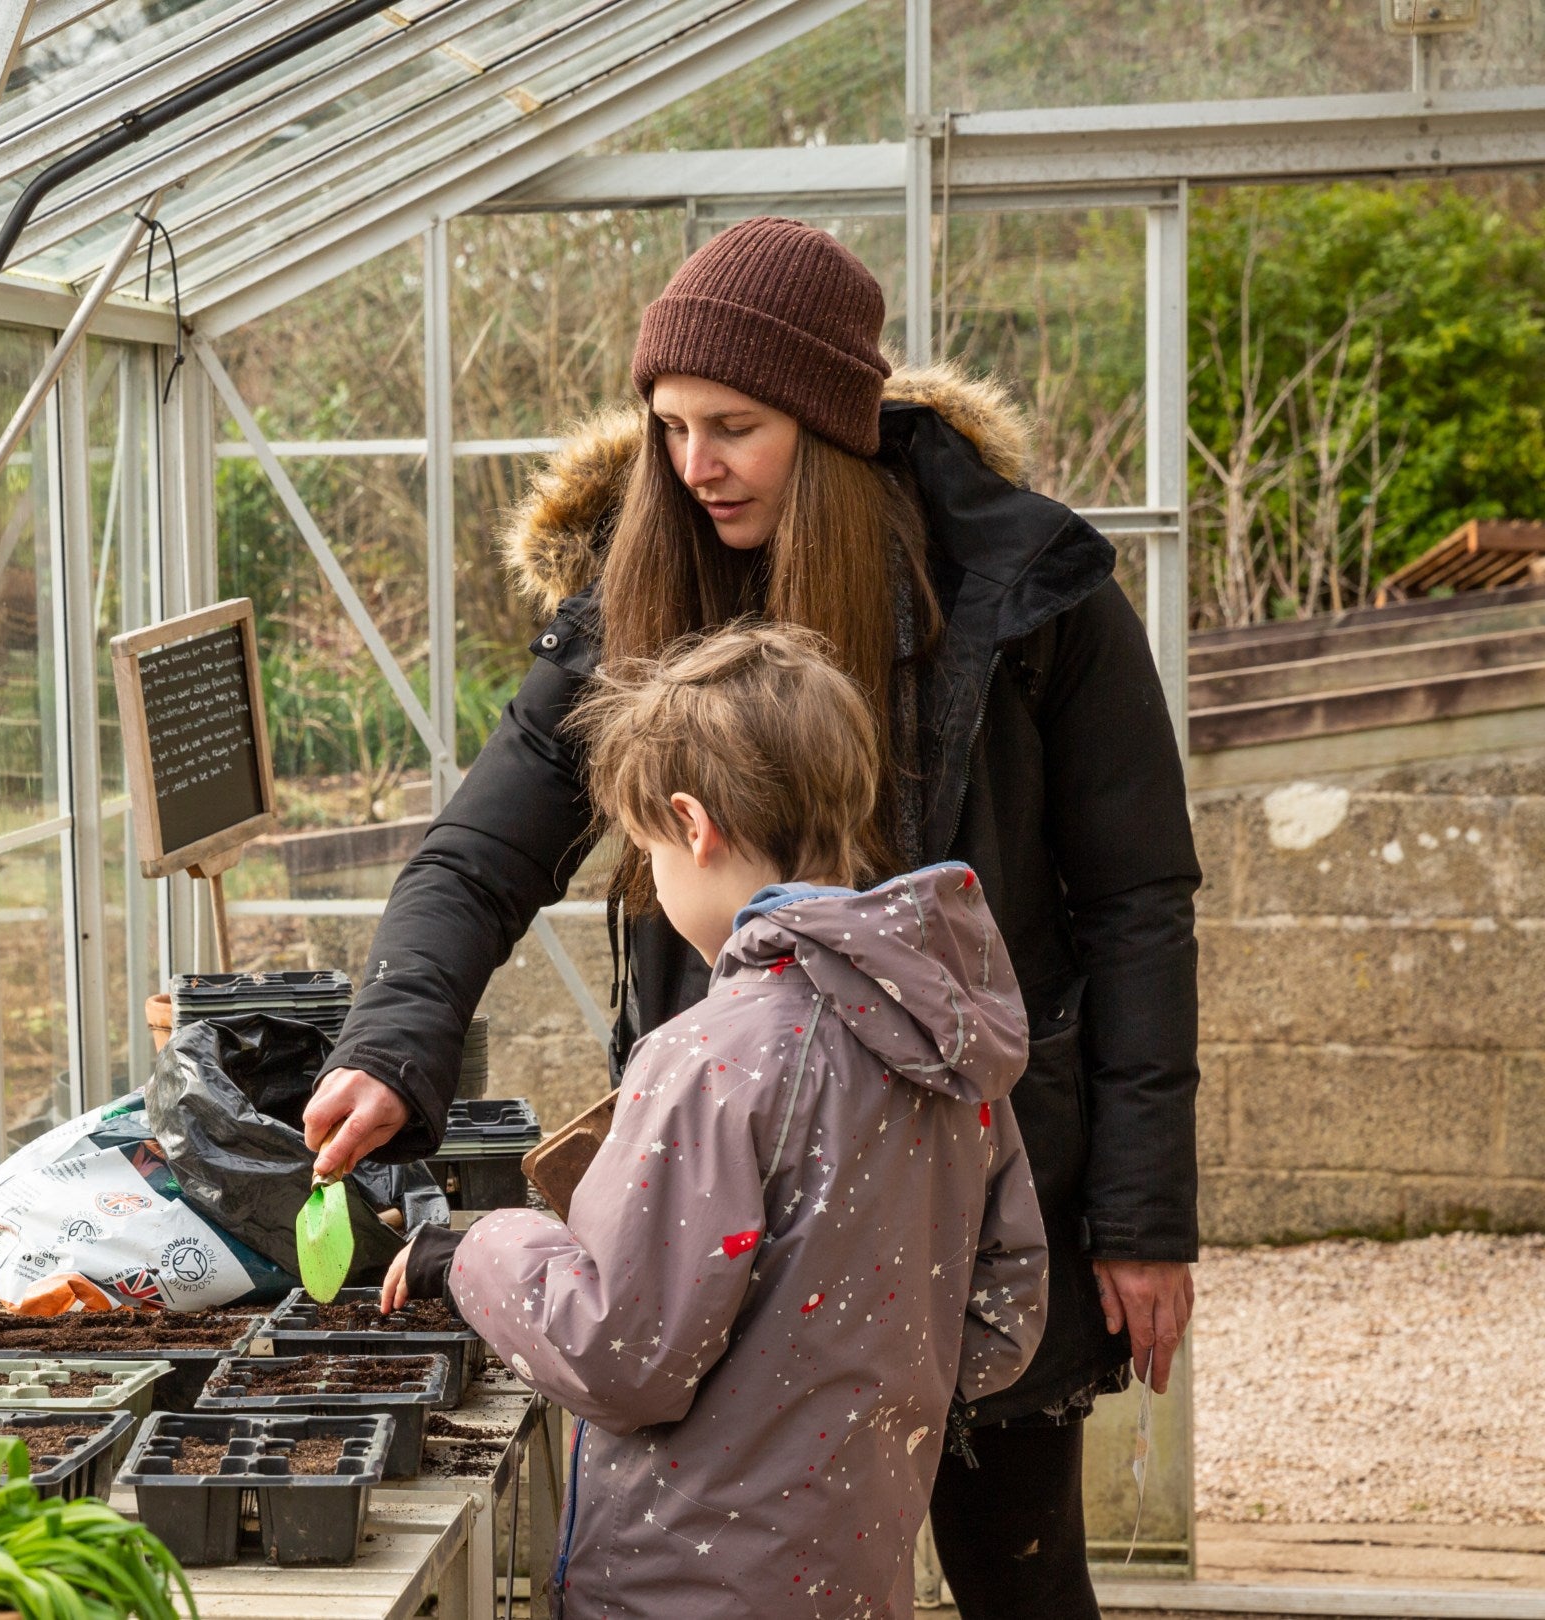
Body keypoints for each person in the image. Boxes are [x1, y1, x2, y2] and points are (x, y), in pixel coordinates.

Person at [304, 216, 1199, 1619]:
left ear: (834, 424)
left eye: (736, 427)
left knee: (1021, 1574)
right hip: (734, 1198)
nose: (693, 465)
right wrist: (389, 1046)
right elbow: (479, 852)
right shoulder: (640, 602)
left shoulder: (1027, 596)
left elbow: (1140, 899)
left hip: (955, 1190)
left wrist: (1143, 1216)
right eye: (668, 426)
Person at [382, 623, 1050, 1618]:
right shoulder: (950, 1049)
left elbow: (622, 1354)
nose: (650, 875)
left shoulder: (711, 1061)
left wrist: (471, 1255)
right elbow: (1002, 1315)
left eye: (643, 848)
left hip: (679, 1589)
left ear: (692, 826)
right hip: (854, 1575)